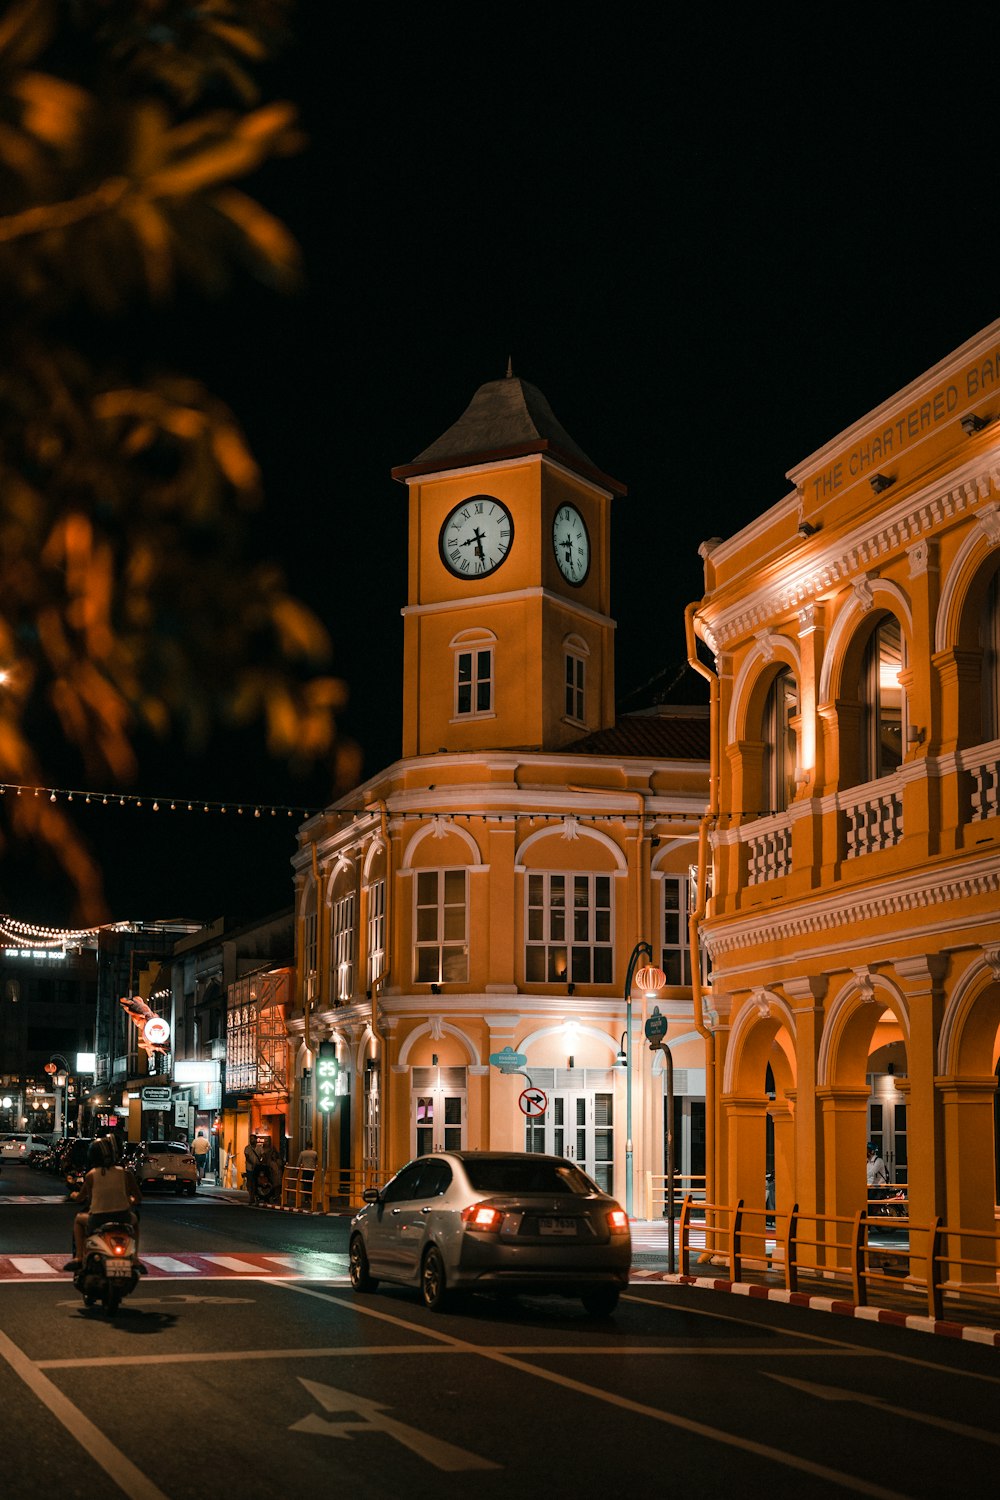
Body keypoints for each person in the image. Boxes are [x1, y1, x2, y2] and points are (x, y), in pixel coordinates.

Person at [63, 1138, 146, 1274]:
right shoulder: (125, 1174)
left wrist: (73, 1195)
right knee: (135, 1222)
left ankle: (78, 1257)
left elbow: (83, 1198)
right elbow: (138, 1198)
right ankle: (135, 1258)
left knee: (79, 1220)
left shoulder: (91, 1175)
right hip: (123, 1217)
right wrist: (128, 1200)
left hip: (98, 1219)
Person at [866, 1140, 889, 1208]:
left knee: (868, 1203)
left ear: (872, 1151)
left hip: (878, 1187)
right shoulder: (868, 1162)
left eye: (867, 1150)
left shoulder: (878, 1161)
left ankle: (870, 1216)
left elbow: (871, 1173)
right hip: (870, 1186)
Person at [244, 1133, 261, 1205]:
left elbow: (263, 1155)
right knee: (250, 1182)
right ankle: (251, 1197)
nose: (251, 1140)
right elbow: (247, 1157)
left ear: (256, 1140)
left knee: (257, 1182)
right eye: (250, 1139)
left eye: (252, 1139)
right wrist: (252, 1164)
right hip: (249, 1168)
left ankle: (256, 1196)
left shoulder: (259, 1148)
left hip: (257, 1168)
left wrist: (260, 1162)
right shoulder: (247, 1148)